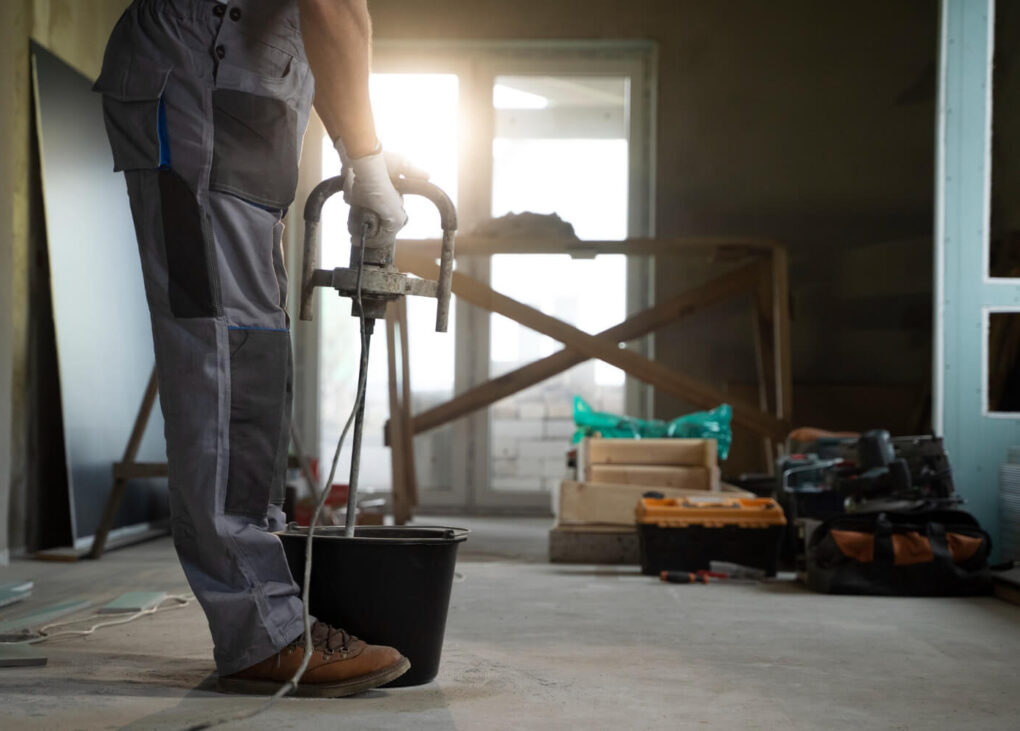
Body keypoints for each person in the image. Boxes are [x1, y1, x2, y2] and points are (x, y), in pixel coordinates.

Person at [94, 0, 410, 696]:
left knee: (251, 350)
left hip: (241, 82)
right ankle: (261, 631)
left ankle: (269, 609)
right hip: (205, 78)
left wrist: (361, 149)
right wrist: (363, 155)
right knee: (226, 350)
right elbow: (334, 7)